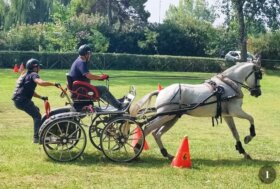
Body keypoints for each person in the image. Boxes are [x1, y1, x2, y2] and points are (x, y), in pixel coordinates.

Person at [12, 58, 60, 143]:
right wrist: (53, 84)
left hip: (18, 100)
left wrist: (41, 97)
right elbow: (40, 82)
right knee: (37, 116)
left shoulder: (26, 75)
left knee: (36, 111)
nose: (40, 69)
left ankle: (40, 133)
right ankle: (37, 137)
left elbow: (30, 91)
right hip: (22, 100)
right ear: (35, 67)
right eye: (39, 67)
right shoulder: (33, 74)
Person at [69, 44, 127, 110]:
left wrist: (100, 78)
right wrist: (101, 77)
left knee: (101, 89)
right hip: (82, 90)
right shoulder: (81, 62)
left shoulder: (78, 61)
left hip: (80, 89)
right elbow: (89, 76)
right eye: (90, 54)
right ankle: (119, 106)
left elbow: (87, 75)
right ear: (86, 54)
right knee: (103, 89)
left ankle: (116, 102)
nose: (90, 55)